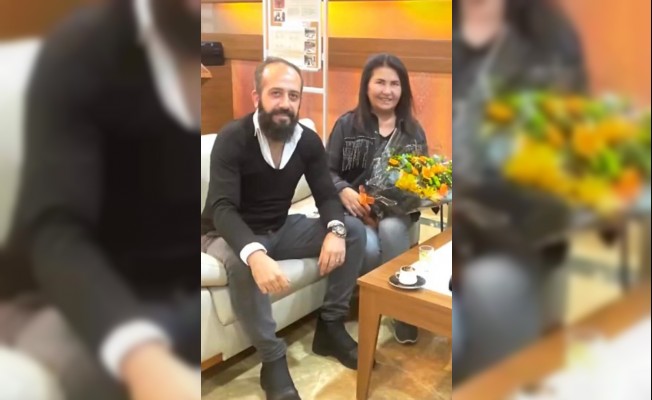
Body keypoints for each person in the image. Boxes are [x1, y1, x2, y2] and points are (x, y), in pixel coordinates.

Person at [5, 0, 202, 399]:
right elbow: (57, 231)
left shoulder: (198, 43)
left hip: (167, 290)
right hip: (54, 296)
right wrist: (141, 358)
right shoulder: (80, 52)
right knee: (105, 373)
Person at [200, 57, 366, 400]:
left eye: (293, 95)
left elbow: (326, 195)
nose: (285, 103)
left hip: (278, 227)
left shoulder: (307, 141)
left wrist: (335, 231)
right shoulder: (233, 138)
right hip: (223, 233)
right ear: (256, 96)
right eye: (276, 93)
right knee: (244, 263)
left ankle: (331, 325)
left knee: (353, 231)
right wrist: (254, 254)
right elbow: (222, 208)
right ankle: (272, 359)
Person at [451, 0, 589, 384]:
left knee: (492, 291)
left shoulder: (549, 35)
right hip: (457, 229)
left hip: (517, 229)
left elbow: (567, 147)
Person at [325, 53, 427, 345]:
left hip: (395, 212)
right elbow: (325, 171)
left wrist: (380, 212)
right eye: (380, 82)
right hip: (353, 212)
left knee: (392, 229)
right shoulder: (347, 125)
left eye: (395, 84)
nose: (387, 90)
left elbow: (419, 184)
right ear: (366, 86)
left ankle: (400, 310)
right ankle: (376, 300)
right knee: (368, 248)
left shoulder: (412, 132)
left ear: (403, 89)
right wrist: (342, 188)